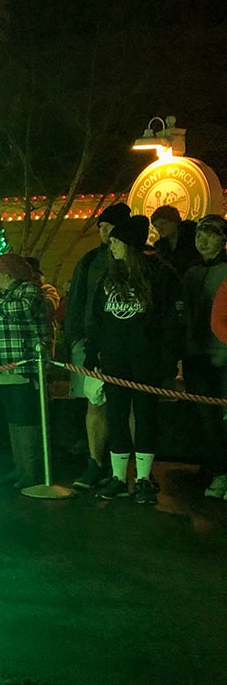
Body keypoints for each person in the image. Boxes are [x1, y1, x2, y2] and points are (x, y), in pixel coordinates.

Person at [85, 215, 181, 504]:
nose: (110, 245)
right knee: (116, 418)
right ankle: (117, 476)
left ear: (128, 243)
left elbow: (171, 322)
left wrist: (167, 359)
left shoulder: (160, 275)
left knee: (145, 418)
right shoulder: (109, 276)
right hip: (114, 362)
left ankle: (142, 478)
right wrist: (93, 352)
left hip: (145, 361)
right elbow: (98, 319)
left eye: (115, 240)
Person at [63, 201, 131, 489]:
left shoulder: (141, 261)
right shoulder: (90, 260)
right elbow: (76, 301)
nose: (102, 231)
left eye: (107, 226)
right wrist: (73, 339)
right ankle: (96, 462)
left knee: (130, 407)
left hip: (129, 344)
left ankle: (132, 468)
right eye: (100, 226)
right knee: (95, 404)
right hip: (92, 341)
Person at [0, 252, 51, 488]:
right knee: (13, 417)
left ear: (8, 274)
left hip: (24, 365)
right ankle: (20, 468)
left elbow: (23, 310)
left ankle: (31, 471)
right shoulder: (2, 295)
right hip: (4, 365)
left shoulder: (29, 290)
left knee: (26, 417)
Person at [181, 213, 227, 500]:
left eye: (211, 234)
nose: (204, 240)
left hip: (223, 355)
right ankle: (214, 466)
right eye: (200, 234)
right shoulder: (190, 272)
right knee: (204, 417)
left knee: (222, 417)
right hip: (195, 355)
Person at [151, 204, 201, 276]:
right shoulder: (160, 248)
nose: (159, 229)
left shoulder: (193, 237)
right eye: (156, 226)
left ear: (174, 221)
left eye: (163, 223)